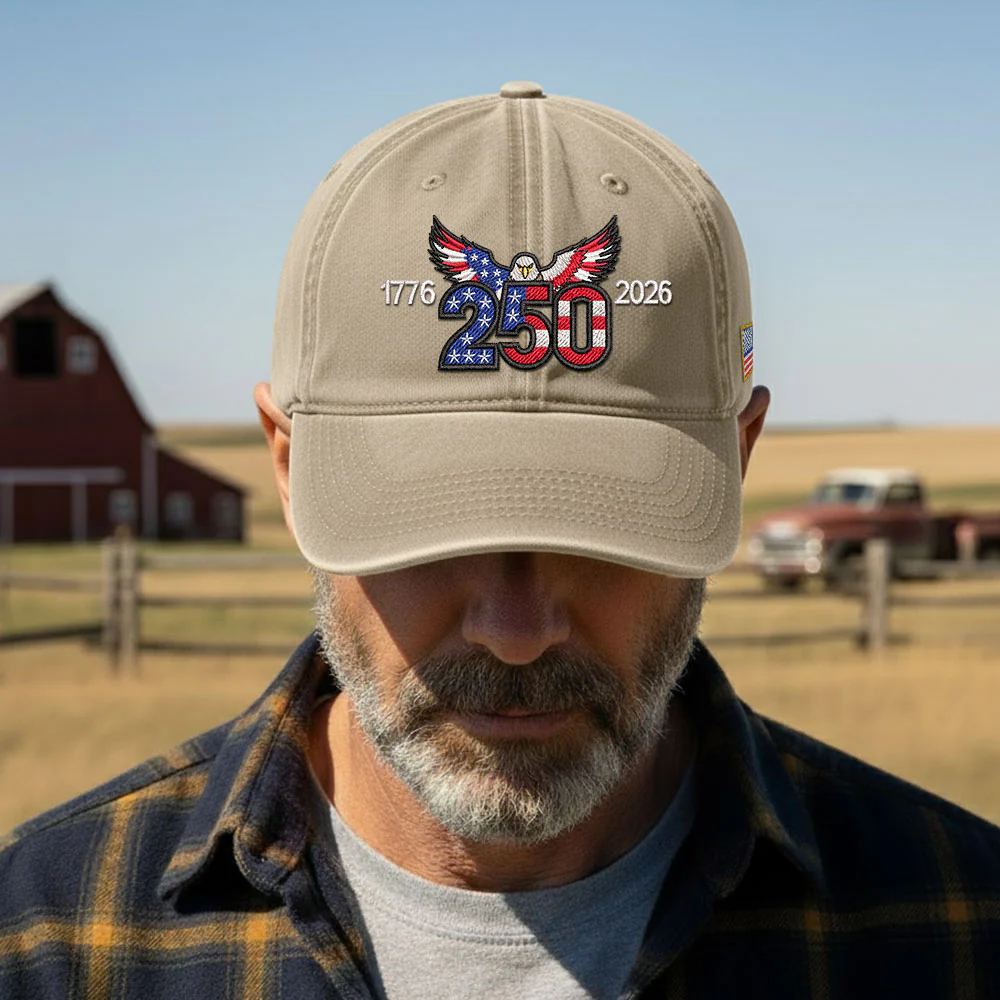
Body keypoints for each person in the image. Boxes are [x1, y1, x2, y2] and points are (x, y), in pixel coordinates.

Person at [2, 82, 999, 999]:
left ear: (735, 460)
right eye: (429, 529)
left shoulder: (957, 925)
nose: (514, 630)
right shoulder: (48, 939)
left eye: (603, 532)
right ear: (286, 457)